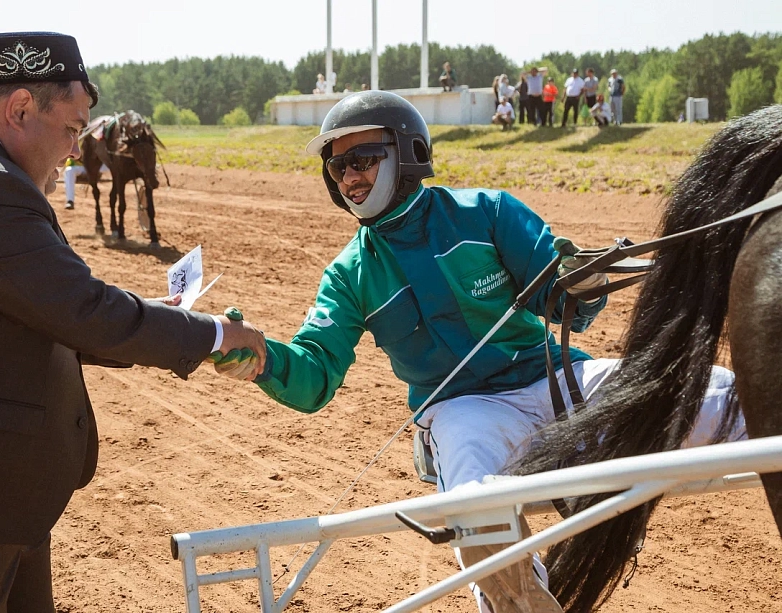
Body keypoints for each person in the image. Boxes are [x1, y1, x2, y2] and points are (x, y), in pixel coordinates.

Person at [209, 90, 743, 612]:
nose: (349, 177)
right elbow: (314, 374)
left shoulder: (488, 212)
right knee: (472, 508)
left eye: (363, 159)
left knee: (715, 395)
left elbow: (566, 308)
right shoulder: (349, 275)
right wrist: (264, 358)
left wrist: (580, 283)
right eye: (337, 167)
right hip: (464, 412)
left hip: (552, 378)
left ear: (407, 152)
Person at [0, 32, 267, 612]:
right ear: (22, 109)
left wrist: (162, 322)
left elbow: (52, 311)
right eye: (73, 129)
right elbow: (83, 310)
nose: (77, 152)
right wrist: (213, 334)